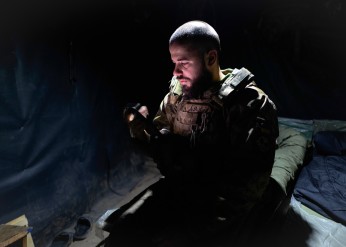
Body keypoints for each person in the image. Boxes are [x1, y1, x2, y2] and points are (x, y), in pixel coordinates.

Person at [106, 20, 279, 247]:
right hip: (181, 188)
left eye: (183, 63)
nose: (176, 73)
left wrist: (192, 229)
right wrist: (139, 125)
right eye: (174, 62)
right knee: (119, 229)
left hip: (220, 202)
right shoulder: (177, 96)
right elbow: (160, 140)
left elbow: (246, 186)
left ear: (210, 58)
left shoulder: (248, 103)